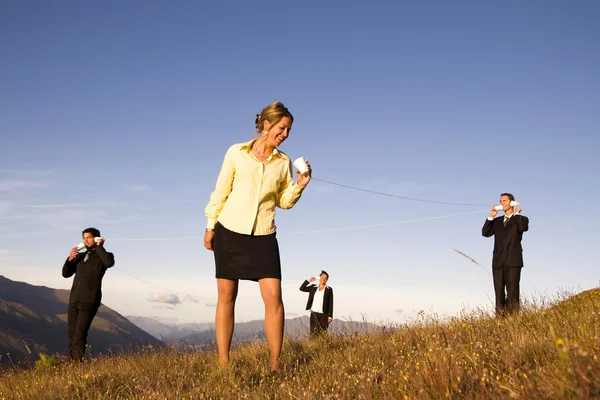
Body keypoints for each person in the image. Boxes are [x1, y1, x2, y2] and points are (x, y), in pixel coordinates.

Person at [203, 101, 312, 372]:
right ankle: (224, 364)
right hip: (229, 232)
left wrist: (299, 185)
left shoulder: (283, 161)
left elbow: (283, 202)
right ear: (266, 125)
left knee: (274, 296)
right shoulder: (236, 153)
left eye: (288, 130)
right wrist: (210, 225)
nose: (285, 134)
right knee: (226, 296)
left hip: (264, 235)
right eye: (282, 127)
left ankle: (275, 364)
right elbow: (221, 190)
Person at [62, 227, 115, 361]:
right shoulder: (79, 257)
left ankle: (76, 363)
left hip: (89, 300)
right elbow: (66, 274)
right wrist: (70, 258)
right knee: (72, 334)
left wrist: (99, 247)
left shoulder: (104, 255)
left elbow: (109, 263)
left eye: (89, 237)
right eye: (84, 238)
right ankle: (71, 362)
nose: (86, 240)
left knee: (80, 333)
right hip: (74, 300)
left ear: (96, 238)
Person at [482, 193, 529, 316]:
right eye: (500, 201)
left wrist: (517, 214)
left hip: (513, 261)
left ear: (512, 202)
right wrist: (491, 217)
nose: (501, 203)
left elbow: (522, 228)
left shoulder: (522, 219)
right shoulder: (497, 222)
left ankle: (513, 319)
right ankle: (500, 320)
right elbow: (485, 233)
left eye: (504, 201)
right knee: (499, 292)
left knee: (512, 292)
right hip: (498, 261)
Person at [299, 270, 334, 337]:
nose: (323, 279)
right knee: (313, 333)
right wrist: (309, 280)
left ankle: (322, 346)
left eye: (325, 278)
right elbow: (302, 288)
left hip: (324, 315)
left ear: (327, 280)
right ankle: (313, 346)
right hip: (314, 313)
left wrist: (330, 316)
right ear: (319, 278)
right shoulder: (313, 287)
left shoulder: (329, 289)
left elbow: (330, 302)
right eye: (322, 277)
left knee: (323, 333)